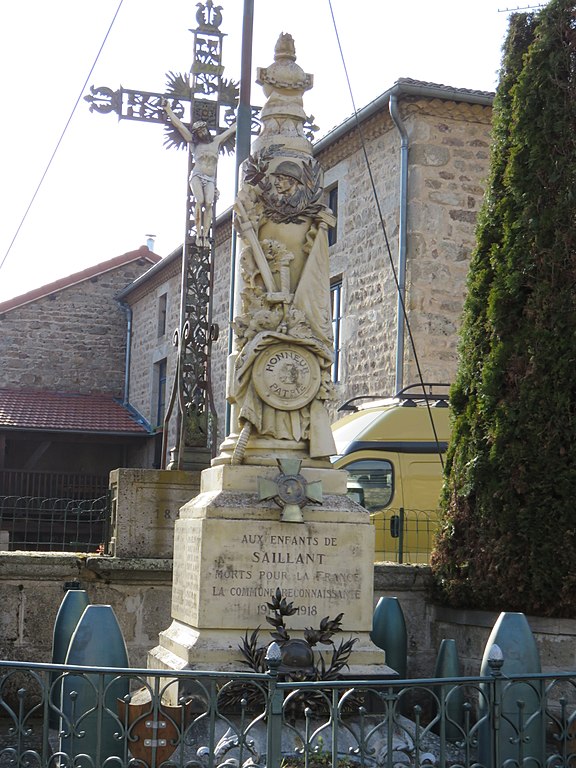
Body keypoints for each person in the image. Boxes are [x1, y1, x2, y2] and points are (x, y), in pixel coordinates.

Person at [162, 100, 236, 244]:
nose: (202, 133)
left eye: (203, 130)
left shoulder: (217, 141)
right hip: (196, 175)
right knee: (200, 200)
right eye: (199, 132)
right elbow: (180, 126)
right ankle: (198, 235)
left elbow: (232, 129)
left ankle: (205, 235)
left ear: (207, 130)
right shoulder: (194, 144)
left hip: (210, 178)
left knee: (209, 203)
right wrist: (169, 110)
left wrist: (244, 114)